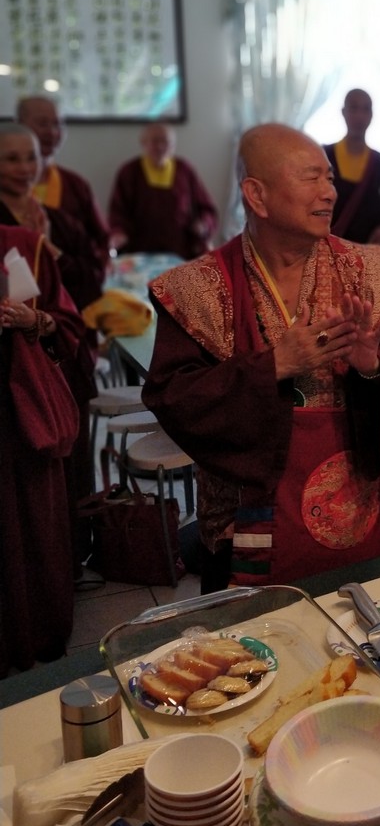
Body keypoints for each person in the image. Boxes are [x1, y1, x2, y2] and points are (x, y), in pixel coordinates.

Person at [141, 124, 380, 591]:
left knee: (359, 623)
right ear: (256, 195)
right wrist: (274, 366)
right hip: (247, 523)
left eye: (330, 178)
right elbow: (172, 396)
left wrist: (373, 368)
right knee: (256, 635)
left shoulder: (370, 272)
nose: (329, 192)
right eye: (310, 178)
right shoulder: (200, 287)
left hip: (355, 512)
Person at [0, 123, 100, 582]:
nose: (24, 168)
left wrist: (49, 250)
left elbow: (88, 278)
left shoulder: (53, 217)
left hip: (61, 358)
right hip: (14, 374)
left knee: (68, 466)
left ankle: (70, 561)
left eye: (30, 157)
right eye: (11, 159)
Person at [1, 223, 86, 674]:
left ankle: (41, 632)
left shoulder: (22, 244)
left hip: (23, 410)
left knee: (34, 522)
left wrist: (31, 321)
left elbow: (67, 323)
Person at [16, 95, 111, 288]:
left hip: (72, 288)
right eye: (42, 123)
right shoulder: (8, 186)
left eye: (58, 124)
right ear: (19, 125)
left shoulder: (75, 184)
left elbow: (101, 241)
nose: (52, 132)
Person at [108, 123, 219, 259]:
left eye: (165, 142)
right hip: (139, 252)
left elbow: (207, 209)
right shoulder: (129, 172)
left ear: (173, 145)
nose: (160, 146)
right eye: (155, 141)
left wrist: (204, 224)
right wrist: (119, 232)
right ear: (143, 143)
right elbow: (117, 212)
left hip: (181, 252)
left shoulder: (185, 170)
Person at [324, 89, 380, 244]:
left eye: (366, 109)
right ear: (343, 112)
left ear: (371, 115)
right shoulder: (323, 158)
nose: (360, 116)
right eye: (354, 108)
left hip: (368, 254)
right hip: (324, 250)